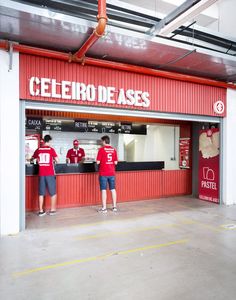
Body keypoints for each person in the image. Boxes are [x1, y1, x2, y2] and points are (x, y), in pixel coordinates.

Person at [31, 135, 59, 216]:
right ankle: (52, 210)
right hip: (50, 173)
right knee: (53, 192)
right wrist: (53, 160)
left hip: (41, 174)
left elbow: (32, 158)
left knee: (41, 193)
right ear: (49, 141)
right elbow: (57, 160)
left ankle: (41, 211)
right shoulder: (51, 149)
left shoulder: (38, 150)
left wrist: (38, 160)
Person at [96, 135, 118, 213]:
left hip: (103, 173)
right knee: (113, 189)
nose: (101, 143)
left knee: (104, 190)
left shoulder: (101, 150)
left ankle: (104, 208)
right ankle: (114, 207)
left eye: (102, 141)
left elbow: (98, 162)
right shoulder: (114, 150)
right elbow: (115, 162)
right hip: (112, 173)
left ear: (104, 141)